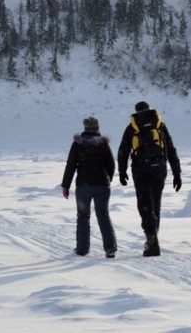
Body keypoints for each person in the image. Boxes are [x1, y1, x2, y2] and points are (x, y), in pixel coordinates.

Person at [117, 101, 181, 257]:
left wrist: (122, 171)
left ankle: (152, 243)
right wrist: (177, 173)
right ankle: (153, 240)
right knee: (155, 205)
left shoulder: (132, 127)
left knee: (145, 206)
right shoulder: (160, 125)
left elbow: (123, 151)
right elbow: (171, 149)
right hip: (159, 170)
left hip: (141, 171)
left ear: (136, 111)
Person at [61, 115, 117, 257]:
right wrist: (107, 179)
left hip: (83, 186)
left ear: (85, 128)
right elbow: (111, 164)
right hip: (102, 186)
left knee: (83, 217)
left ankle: (82, 249)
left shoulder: (78, 144)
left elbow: (71, 165)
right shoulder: (103, 144)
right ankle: (110, 249)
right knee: (103, 215)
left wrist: (65, 185)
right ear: (97, 128)